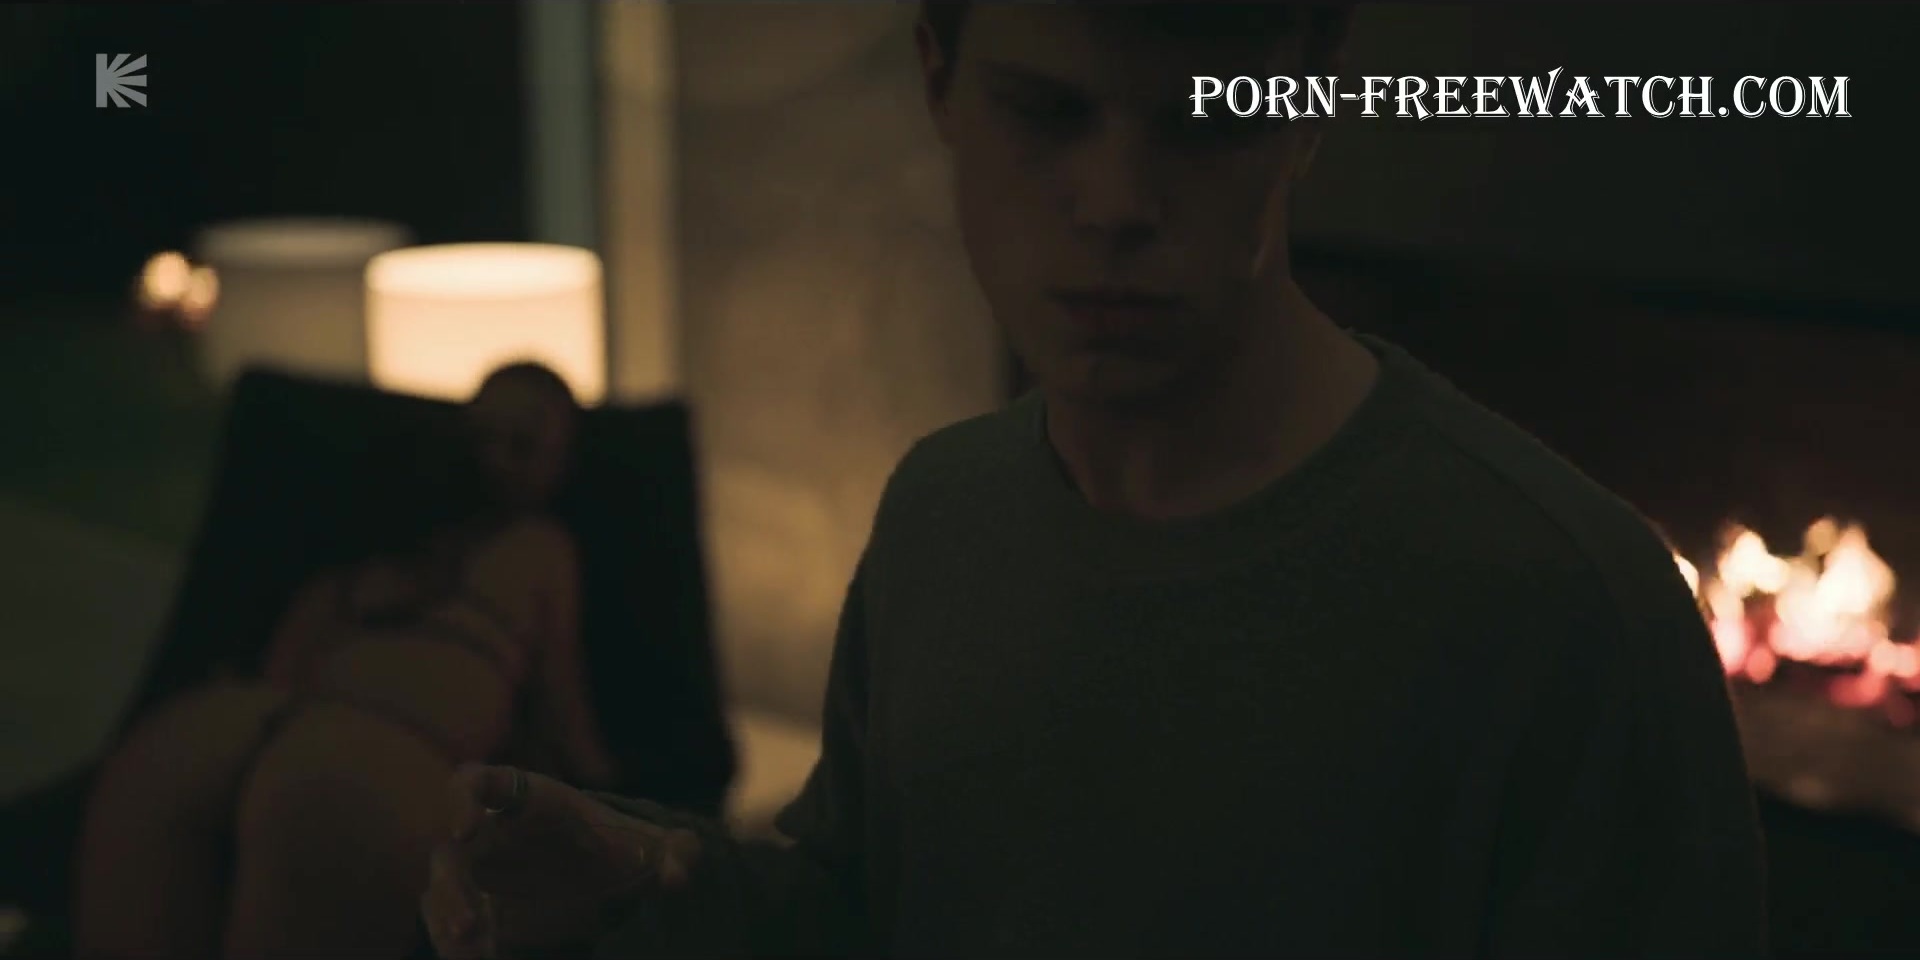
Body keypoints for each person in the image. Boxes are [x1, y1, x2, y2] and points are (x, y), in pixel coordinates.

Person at [424, 4, 1769, 958]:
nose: (1118, 200)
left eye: (1201, 122)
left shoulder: (1568, 612)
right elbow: (863, 908)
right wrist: (644, 879)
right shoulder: (942, 512)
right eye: (1048, 113)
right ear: (940, 83)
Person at [73, 361, 619, 958]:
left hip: (239, 735)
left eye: (522, 443)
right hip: (345, 752)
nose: (494, 458)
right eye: (480, 438)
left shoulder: (506, 545)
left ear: (563, 462)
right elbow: (563, 714)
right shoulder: (506, 550)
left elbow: (560, 712)